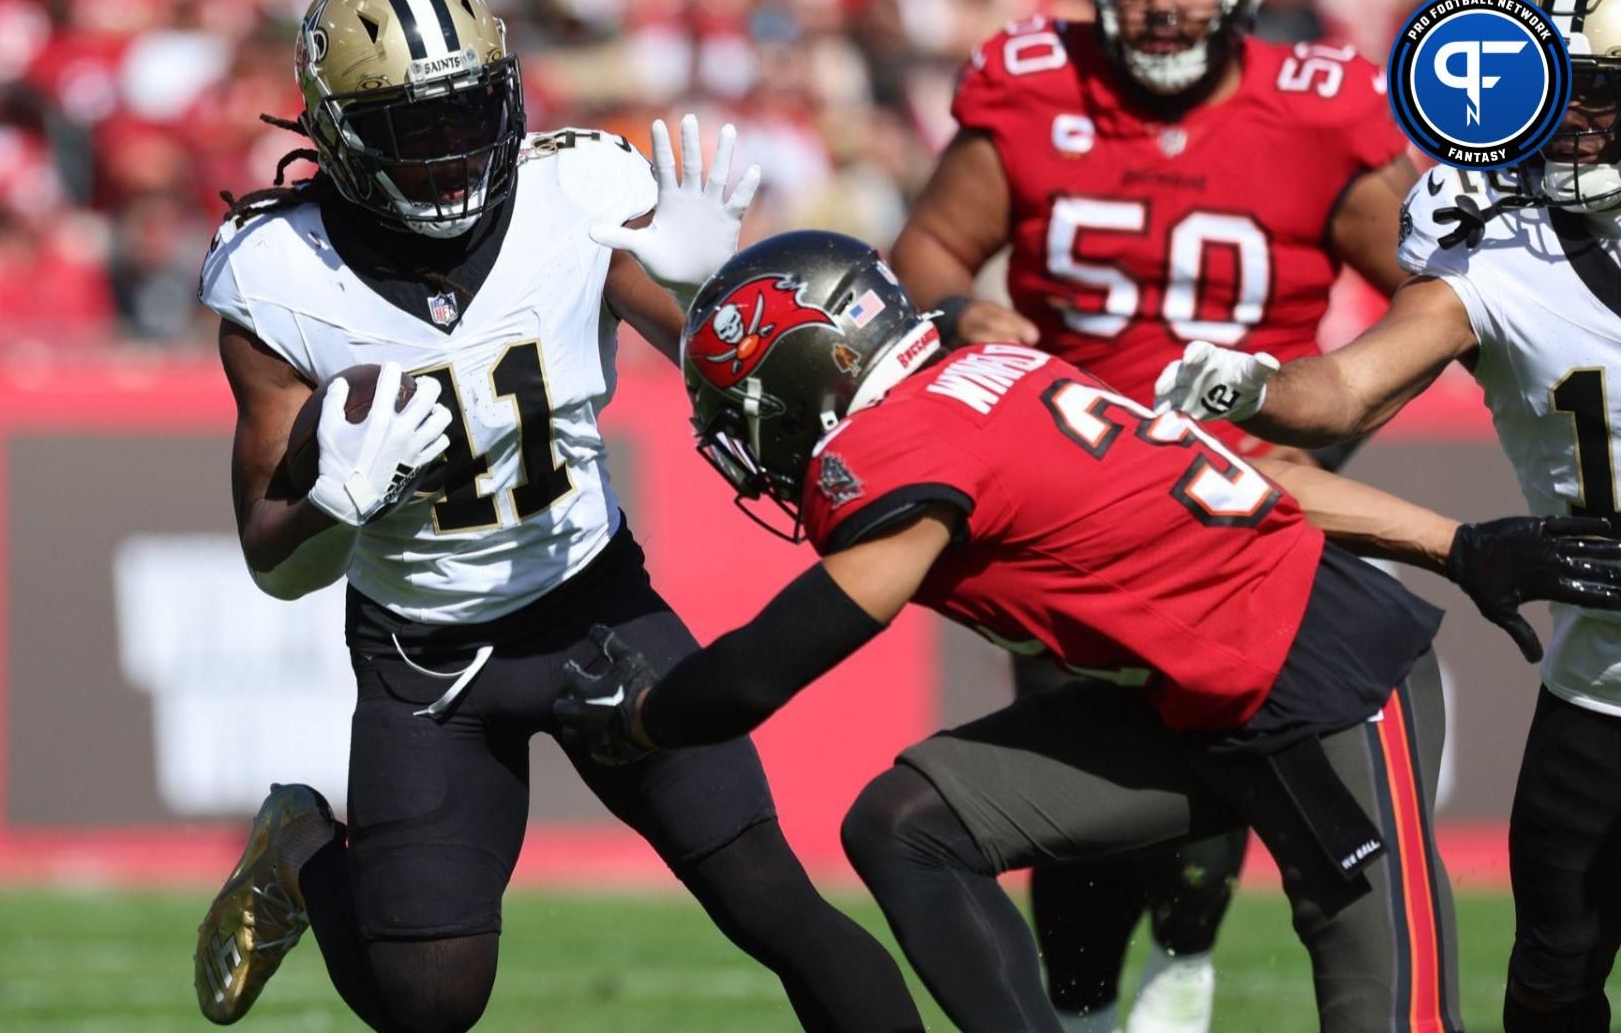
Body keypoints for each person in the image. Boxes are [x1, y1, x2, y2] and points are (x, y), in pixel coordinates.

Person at [555, 229, 1621, 1032]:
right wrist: (1455, 543)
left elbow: (770, 665)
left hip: (1327, 685)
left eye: (747, 408)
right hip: (1195, 699)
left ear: (816, 376)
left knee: (1393, 1017)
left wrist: (645, 716)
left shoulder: (903, 443)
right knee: (907, 823)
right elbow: (1254, 477)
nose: (746, 440)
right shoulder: (991, 378)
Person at [189, 0, 921, 1031]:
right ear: (340, 134)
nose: (447, 155)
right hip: (425, 656)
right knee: (427, 1001)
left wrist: (711, 291)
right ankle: (304, 851)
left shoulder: (575, 193)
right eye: (411, 129)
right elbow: (274, 562)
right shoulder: (276, 276)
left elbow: (717, 364)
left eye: (464, 116)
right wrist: (335, 504)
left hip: (595, 611)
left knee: (774, 903)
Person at [886, 0, 1416, 1023]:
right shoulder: (1036, 84)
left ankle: (1185, 962)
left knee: (1227, 730)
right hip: (1064, 506)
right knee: (1059, 747)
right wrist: (961, 316)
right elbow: (933, 246)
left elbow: (1435, 302)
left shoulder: (1318, 110)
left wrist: (1331, 437)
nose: (1160, 4)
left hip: (1236, 508)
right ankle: (1080, 1004)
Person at [1155, 0, 1621, 1028]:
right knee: (1550, 995)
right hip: (1599, 688)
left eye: (1603, 90)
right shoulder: (1507, 254)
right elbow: (1349, 389)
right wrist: (1252, 382)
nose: (1574, 119)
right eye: (1561, 85)